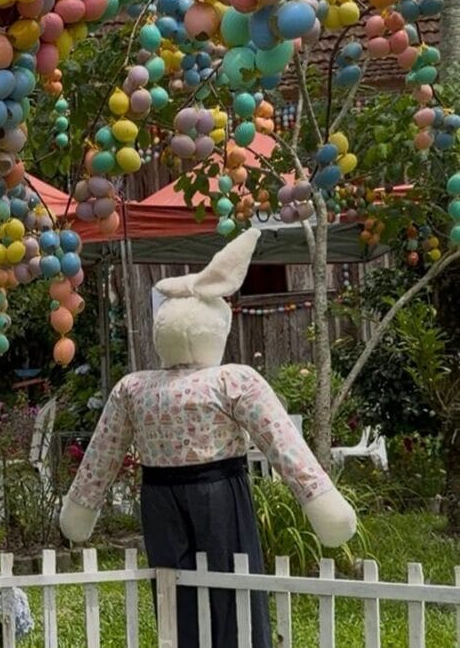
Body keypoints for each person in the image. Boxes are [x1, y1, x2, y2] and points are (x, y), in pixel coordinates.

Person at [58, 228, 356, 647]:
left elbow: (101, 455)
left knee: (173, 594)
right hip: (218, 493)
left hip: (159, 497)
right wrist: (320, 500)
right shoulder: (232, 380)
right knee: (233, 591)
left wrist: (80, 510)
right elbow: (283, 444)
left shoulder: (134, 387)